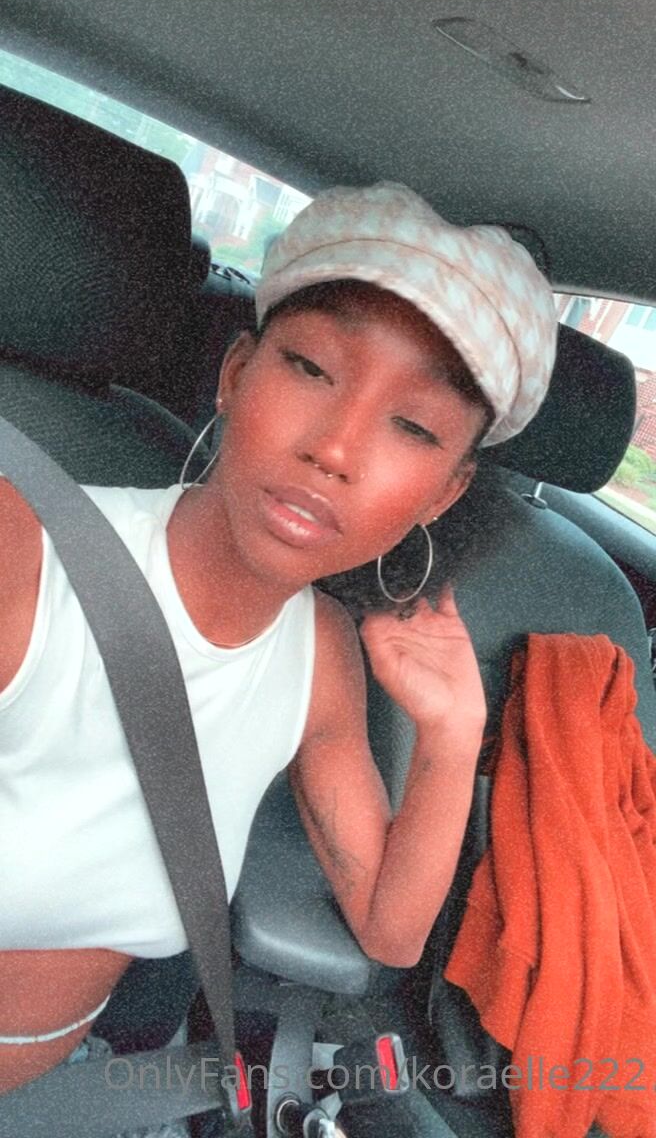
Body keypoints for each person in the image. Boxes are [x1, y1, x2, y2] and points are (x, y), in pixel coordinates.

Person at [0, 181, 557, 1133]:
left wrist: (451, 732)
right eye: (310, 368)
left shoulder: (322, 656)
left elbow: (388, 929)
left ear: (442, 493)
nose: (336, 447)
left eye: (414, 426)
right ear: (234, 374)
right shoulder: (23, 551)